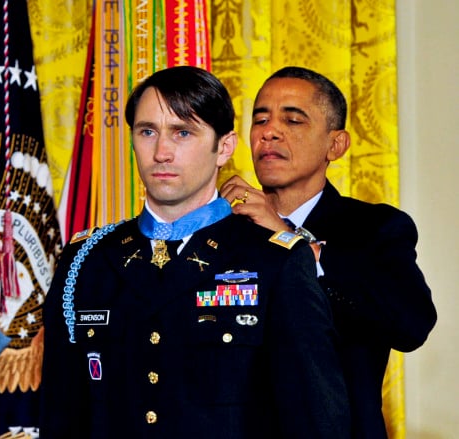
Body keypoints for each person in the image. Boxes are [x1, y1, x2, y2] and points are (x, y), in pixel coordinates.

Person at [40, 65, 350, 438]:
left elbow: (317, 423)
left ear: (224, 147)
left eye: (183, 132)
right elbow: (62, 415)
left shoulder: (275, 261)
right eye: (148, 132)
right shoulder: (86, 260)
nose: (162, 152)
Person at [220, 66, 437, 438]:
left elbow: (411, 325)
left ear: (335, 145)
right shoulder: (224, 232)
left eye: (293, 119)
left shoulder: (375, 229)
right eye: (260, 119)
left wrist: (293, 243)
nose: (269, 132)